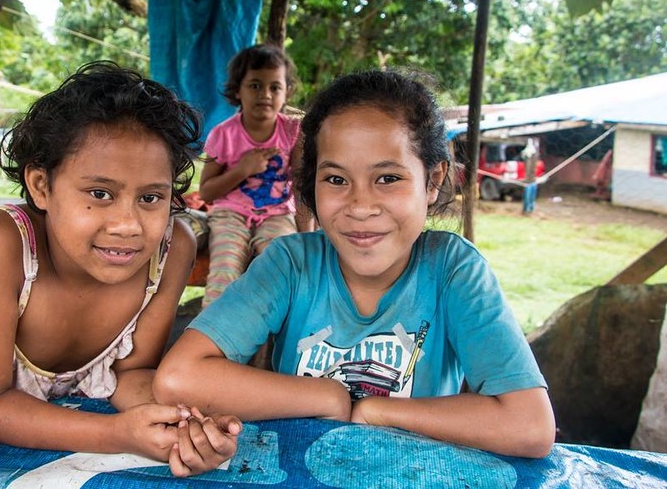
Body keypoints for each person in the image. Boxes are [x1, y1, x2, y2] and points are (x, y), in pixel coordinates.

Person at [155, 69, 556, 458]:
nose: (361, 207)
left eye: (387, 179)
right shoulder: (291, 264)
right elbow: (178, 378)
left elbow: (530, 426)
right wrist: (329, 397)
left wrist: (372, 410)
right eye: (336, 180)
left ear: (432, 182)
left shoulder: (452, 270)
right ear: (311, 182)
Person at [0, 62, 240, 476]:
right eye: (100, 193)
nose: (128, 224)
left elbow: (131, 375)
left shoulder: (171, 248)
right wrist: (117, 434)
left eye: (150, 198)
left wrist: (185, 425)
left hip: (64, 424)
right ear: (42, 186)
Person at [199, 44, 311, 307]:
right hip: (230, 214)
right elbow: (206, 192)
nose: (266, 94)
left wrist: (307, 236)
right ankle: (211, 340)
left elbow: (301, 184)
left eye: (275, 87)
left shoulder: (293, 132)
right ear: (237, 89)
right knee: (224, 275)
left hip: (278, 214)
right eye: (255, 85)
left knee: (280, 270)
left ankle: (269, 338)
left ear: (287, 92)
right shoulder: (223, 134)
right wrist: (243, 170)